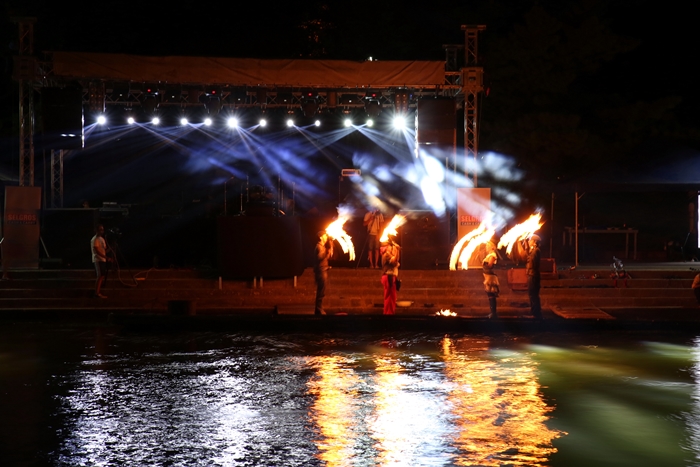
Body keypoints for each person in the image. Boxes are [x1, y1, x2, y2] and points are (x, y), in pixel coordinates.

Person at [314, 230, 333, 315]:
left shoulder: (323, 247)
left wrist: (330, 248)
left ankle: (318, 309)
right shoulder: (319, 246)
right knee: (321, 291)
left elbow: (327, 257)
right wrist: (326, 252)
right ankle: (319, 309)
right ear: (321, 237)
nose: (326, 237)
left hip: (324, 270)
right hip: (321, 271)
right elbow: (320, 257)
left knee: (322, 291)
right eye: (325, 235)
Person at [380, 235, 401, 315]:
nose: (392, 248)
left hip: (390, 277)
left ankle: (389, 313)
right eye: (391, 247)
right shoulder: (387, 254)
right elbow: (394, 261)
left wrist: (397, 251)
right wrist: (397, 250)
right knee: (390, 297)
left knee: (392, 297)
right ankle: (388, 314)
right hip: (389, 277)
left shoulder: (389, 254)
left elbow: (396, 260)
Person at [525, 234, 543, 319]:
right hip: (531, 275)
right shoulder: (533, 250)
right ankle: (535, 313)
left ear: (534, 242)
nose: (529, 241)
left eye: (530, 240)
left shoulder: (536, 251)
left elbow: (532, 262)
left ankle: (536, 314)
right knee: (531, 294)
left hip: (533, 275)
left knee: (533, 295)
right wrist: (527, 248)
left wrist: (529, 251)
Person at [91, 224, 111, 298]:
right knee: (99, 276)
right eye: (100, 229)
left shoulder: (102, 239)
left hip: (102, 259)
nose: (102, 231)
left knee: (102, 276)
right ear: (96, 230)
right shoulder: (95, 239)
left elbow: (103, 250)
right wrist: (106, 257)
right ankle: (96, 293)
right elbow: (97, 251)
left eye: (102, 229)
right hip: (98, 259)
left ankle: (98, 291)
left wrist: (111, 248)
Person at [483, 241, 499, 319]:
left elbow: (490, 265)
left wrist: (485, 264)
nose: (486, 247)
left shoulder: (493, 255)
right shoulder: (489, 255)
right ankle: (492, 313)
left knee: (491, 294)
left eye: (488, 246)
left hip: (490, 277)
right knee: (489, 295)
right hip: (487, 276)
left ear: (492, 247)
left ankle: (493, 313)